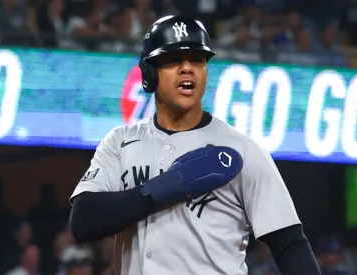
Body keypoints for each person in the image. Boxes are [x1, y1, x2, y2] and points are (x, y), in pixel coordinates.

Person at [69, 15, 320, 275]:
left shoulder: (242, 151)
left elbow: (289, 244)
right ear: (149, 72)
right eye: (173, 60)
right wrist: (161, 190)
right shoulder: (120, 142)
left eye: (197, 60)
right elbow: (83, 221)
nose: (187, 68)